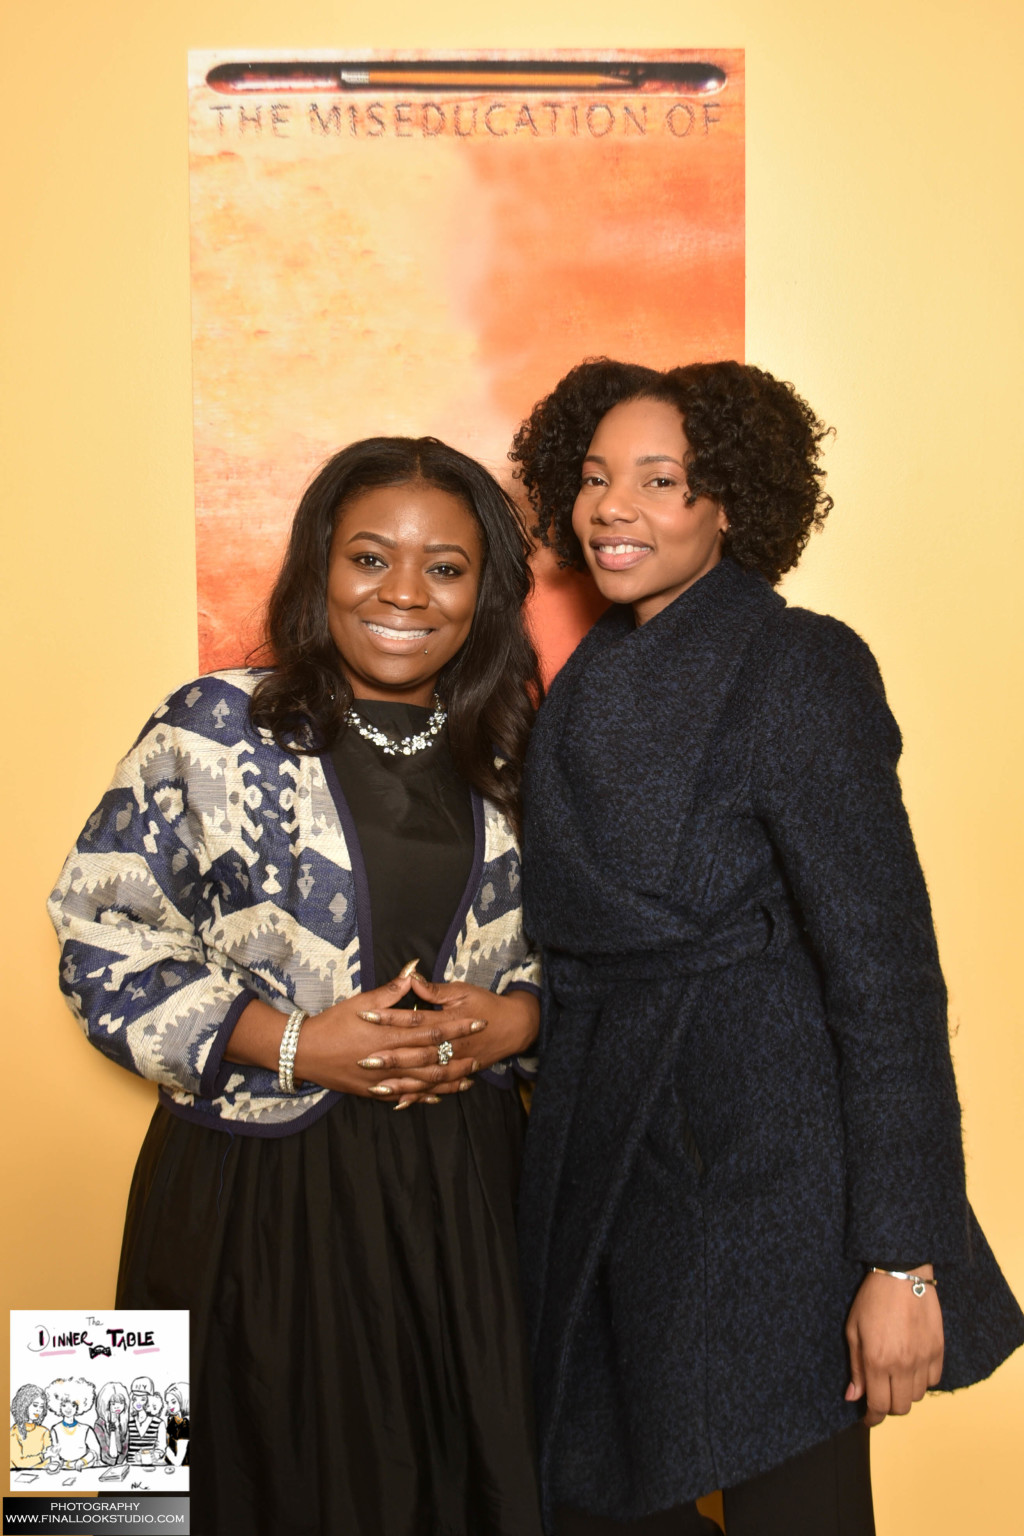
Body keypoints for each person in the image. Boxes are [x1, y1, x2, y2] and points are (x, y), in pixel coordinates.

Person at [509, 360, 1024, 1536]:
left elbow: (886, 979)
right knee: (586, 1489)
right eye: (593, 479)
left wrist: (903, 1259)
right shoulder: (589, 675)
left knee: (795, 1502)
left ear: (729, 502)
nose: (610, 509)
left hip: (768, 1177)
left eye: (659, 480)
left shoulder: (799, 664)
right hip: (609, 1148)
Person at [47, 436, 545, 1536]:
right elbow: (93, 929)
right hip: (232, 1183)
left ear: (486, 592)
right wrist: (286, 1041)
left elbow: (607, 965)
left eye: (447, 567)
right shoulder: (208, 721)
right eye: (370, 556)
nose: (404, 592)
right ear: (319, 565)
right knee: (132, 1502)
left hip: (456, 1199)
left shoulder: (523, 746)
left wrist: (517, 1022)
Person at [45, 1379, 101, 1471]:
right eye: (64, 1405)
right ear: (58, 1407)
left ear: (79, 1407)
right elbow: (55, 1455)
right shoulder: (55, 1429)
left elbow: (95, 1452)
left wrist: (83, 1461)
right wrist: (55, 1464)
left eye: (73, 1405)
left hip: (84, 1469)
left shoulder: (86, 1429)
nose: (68, 1409)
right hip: (63, 1470)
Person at [9, 1385, 52, 1470]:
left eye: (41, 1407)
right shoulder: (14, 1432)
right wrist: (43, 1457)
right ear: (23, 1405)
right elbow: (19, 1462)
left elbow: (49, 1460)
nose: (38, 1410)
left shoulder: (44, 1431)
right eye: (35, 1405)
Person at [93, 1380, 129, 1466]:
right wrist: (112, 1430)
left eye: (121, 1403)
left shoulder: (125, 1423)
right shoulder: (99, 1424)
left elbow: (125, 1446)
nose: (117, 1406)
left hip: (122, 1464)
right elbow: (103, 1448)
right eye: (113, 1403)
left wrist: (120, 1462)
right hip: (105, 1464)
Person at [163, 1382, 190, 1468]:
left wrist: (164, 1448)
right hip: (171, 1467)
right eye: (167, 1402)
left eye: (173, 1402)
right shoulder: (173, 1421)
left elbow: (178, 1461)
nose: (169, 1406)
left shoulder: (186, 1425)